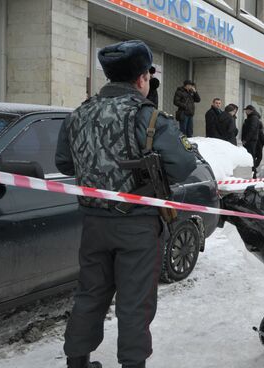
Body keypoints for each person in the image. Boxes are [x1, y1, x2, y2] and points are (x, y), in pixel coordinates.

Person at [55, 40, 198, 368]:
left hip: (93, 224)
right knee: (135, 303)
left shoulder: (79, 113)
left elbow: (64, 163)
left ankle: (77, 362)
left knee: (89, 294)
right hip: (137, 226)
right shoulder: (149, 117)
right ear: (141, 79)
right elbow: (184, 165)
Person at [241, 105, 262, 177]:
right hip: (250, 140)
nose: (246, 112)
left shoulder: (253, 118)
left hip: (250, 141)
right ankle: (253, 172)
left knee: (251, 156)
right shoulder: (252, 117)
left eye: (246, 110)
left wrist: (246, 140)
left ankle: (253, 173)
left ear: (250, 110)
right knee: (250, 156)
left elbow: (251, 130)